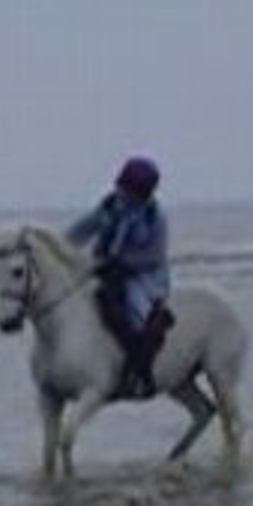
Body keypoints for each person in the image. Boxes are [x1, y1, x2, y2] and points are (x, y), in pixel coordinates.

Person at [67, 156, 172, 397]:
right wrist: (59, 246)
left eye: (129, 191)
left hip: (143, 276)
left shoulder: (154, 219)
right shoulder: (110, 207)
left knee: (135, 311)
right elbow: (84, 228)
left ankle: (140, 370)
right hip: (105, 267)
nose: (123, 194)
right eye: (122, 187)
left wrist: (120, 263)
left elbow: (153, 256)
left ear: (142, 193)